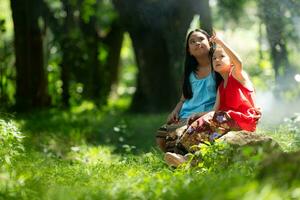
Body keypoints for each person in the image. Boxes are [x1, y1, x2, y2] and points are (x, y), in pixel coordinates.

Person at [164, 33, 262, 167]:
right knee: (200, 122)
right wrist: (197, 116)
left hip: (243, 120)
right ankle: (188, 158)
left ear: (230, 60)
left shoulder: (237, 74)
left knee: (212, 119)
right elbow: (215, 110)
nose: (217, 60)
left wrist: (221, 43)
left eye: (222, 56)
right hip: (226, 120)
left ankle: (185, 156)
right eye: (214, 58)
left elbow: (239, 62)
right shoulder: (221, 87)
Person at [156, 29, 222, 153]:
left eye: (201, 39)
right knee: (161, 135)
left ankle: (180, 159)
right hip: (185, 116)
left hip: (204, 116)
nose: (197, 43)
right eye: (192, 42)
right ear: (189, 51)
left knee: (177, 136)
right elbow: (184, 98)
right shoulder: (190, 73)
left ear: (210, 42)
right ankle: (174, 156)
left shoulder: (218, 67)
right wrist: (174, 111)